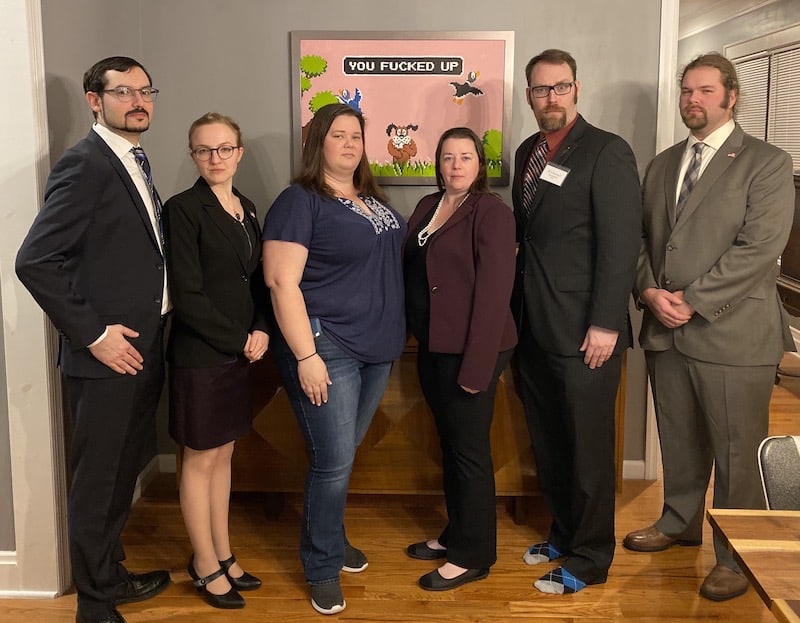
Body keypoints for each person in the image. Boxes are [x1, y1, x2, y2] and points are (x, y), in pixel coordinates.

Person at [623, 52, 795, 602]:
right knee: (678, 438)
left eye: (703, 91)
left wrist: (692, 301)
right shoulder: (663, 163)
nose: (691, 101)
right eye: (685, 91)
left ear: (731, 95)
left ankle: (735, 553)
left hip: (733, 334)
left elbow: (759, 250)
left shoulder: (766, 162)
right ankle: (678, 521)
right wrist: (649, 291)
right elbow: (644, 242)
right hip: (664, 330)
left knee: (737, 451)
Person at [15, 56, 170, 623]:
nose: (138, 100)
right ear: (93, 99)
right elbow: (34, 260)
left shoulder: (132, 160)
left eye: (145, 90)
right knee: (98, 479)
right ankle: (95, 606)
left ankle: (111, 575)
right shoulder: (87, 164)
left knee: (121, 474)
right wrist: (95, 334)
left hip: (143, 348)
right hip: (107, 355)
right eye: (123, 90)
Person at [262, 103, 406, 615]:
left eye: (356, 136)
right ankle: (322, 564)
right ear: (317, 142)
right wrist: (306, 354)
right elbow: (281, 281)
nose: (348, 144)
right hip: (326, 347)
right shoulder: (299, 200)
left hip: (376, 348)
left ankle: (333, 538)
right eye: (337, 135)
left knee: (341, 457)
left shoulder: (371, 199)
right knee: (333, 462)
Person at [510, 49, 642, 594]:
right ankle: (564, 533)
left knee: (588, 451)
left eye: (559, 87)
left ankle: (591, 558)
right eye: (540, 90)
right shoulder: (527, 151)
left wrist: (606, 323)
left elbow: (620, 243)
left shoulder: (607, 151)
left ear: (577, 89)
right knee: (551, 441)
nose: (551, 98)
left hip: (588, 331)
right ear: (529, 97)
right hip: (533, 325)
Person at [163, 112, 269, 609]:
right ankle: (203, 562)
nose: (215, 158)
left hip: (237, 352)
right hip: (201, 353)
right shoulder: (182, 210)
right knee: (200, 458)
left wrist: (262, 330)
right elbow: (187, 293)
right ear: (193, 155)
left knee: (223, 454)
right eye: (204, 150)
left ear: (239, 152)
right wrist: (239, 339)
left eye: (224, 148)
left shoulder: (245, 207)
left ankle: (223, 552)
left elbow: (255, 279)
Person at [403, 127, 517, 591]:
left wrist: (477, 367)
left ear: (479, 164)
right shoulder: (427, 207)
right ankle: (457, 533)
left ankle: (474, 555)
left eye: (465, 157)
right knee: (451, 446)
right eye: (447, 157)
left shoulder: (491, 212)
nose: (455, 165)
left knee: (469, 451)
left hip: (474, 350)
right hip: (433, 347)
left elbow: (493, 296)